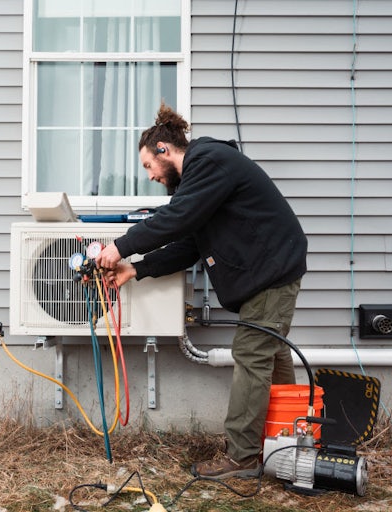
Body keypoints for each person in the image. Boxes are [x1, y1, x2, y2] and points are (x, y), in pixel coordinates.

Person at [94, 103, 307, 479]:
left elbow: (176, 219)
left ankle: (242, 459)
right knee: (271, 355)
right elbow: (190, 244)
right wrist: (136, 269)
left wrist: (120, 246)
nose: (150, 176)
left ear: (164, 149)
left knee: (252, 354)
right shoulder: (203, 179)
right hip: (271, 270)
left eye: (148, 165)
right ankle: (285, 444)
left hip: (272, 270)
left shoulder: (208, 160)